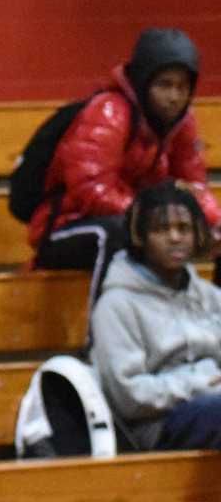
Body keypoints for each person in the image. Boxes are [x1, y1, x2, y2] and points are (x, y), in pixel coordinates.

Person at [31, 27, 219, 305]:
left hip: (138, 221)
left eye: (182, 87)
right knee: (117, 235)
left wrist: (213, 220)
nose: (174, 96)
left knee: (205, 232)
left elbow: (193, 188)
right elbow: (91, 191)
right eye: (164, 85)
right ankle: (104, 331)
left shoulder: (182, 122)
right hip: (68, 226)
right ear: (144, 82)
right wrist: (152, 219)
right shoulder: (109, 113)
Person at [91, 182, 221, 450]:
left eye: (183, 229)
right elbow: (129, 397)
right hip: (157, 424)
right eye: (161, 229)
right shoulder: (116, 305)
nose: (175, 238)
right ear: (141, 237)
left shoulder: (210, 295)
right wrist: (198, 384)